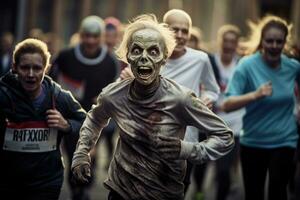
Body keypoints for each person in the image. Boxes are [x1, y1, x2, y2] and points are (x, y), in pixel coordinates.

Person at [71, 14, 234, 200]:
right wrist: (82, 153)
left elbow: (224, 136)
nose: (144, 58)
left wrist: (188, 150)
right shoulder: (114, 94)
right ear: (128, 56)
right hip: (120, 191)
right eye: (137, 50)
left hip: (164, 192)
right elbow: (94, 118)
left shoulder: (181, 98)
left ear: (164, 58)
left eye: (153, 52)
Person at [119, 9, 220, 193]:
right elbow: (120, 97)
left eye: (185, 31)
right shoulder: (146, 57)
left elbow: (213, 89)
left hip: (184, 142)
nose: (180, 36)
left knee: (177, 191)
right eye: (175, 30)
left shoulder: (201, 59)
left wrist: (207, 99)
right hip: (147, 140)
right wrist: (127, 81)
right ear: (164, 30)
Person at [223, 15, 300, 200]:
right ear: (261, 41)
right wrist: (255, 95)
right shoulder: (247, 66)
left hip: (285, 140)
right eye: (269, 41)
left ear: (285, 42)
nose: (274, 46)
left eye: (279, 41)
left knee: (278, 192)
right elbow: (227, 104)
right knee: (254, 194)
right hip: (254, 141)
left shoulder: (293, 66)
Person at [0, 38, 86, 200]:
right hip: (8, 183)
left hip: (46, 183)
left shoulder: (59, 97)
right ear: (14, 68)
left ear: (46, 69)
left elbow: (88, 123)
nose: (31, 74)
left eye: (37, 68)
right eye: (25, 68)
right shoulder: (3, 96)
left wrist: (66, 125)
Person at [50, 15, 119, 200]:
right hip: (70, 116)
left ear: (102, 37)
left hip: (96, 116)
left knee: (90, 153)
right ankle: (76, 189)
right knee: (73, 152)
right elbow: (49, 82)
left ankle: (85, 186)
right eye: (87, 36)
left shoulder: (110, 61)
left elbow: (115, 91)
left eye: (95, 36)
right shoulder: (65, 56)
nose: (90, 41)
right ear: (81, 35)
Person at [212, 24, 244, 200]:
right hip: (214, 123)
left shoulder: (241, 65)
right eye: (226, 40)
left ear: (237, 43)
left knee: (226, 167)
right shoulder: (210, 62)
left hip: (236, 124)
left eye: (233, 41)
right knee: (217, 169)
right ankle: (215, 188)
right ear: (220, 41)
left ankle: (223, 188)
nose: (229, 45)